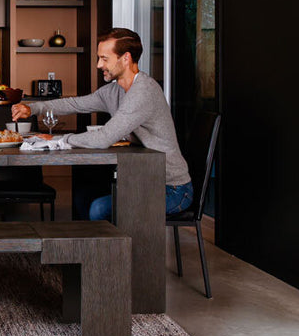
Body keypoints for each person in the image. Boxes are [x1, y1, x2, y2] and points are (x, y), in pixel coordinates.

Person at [11, 27, 192, 220]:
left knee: (98, 208)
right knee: (83, 196)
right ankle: (87, 249)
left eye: (105, 59)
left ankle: (114, 250)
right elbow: (75, 103)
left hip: (172, 190)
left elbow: (104, 138)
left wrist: (59, 140)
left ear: (126, 58)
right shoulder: (114, 91)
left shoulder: (143, 91)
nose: (99, 65)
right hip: (143, 179)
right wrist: (33, 109)